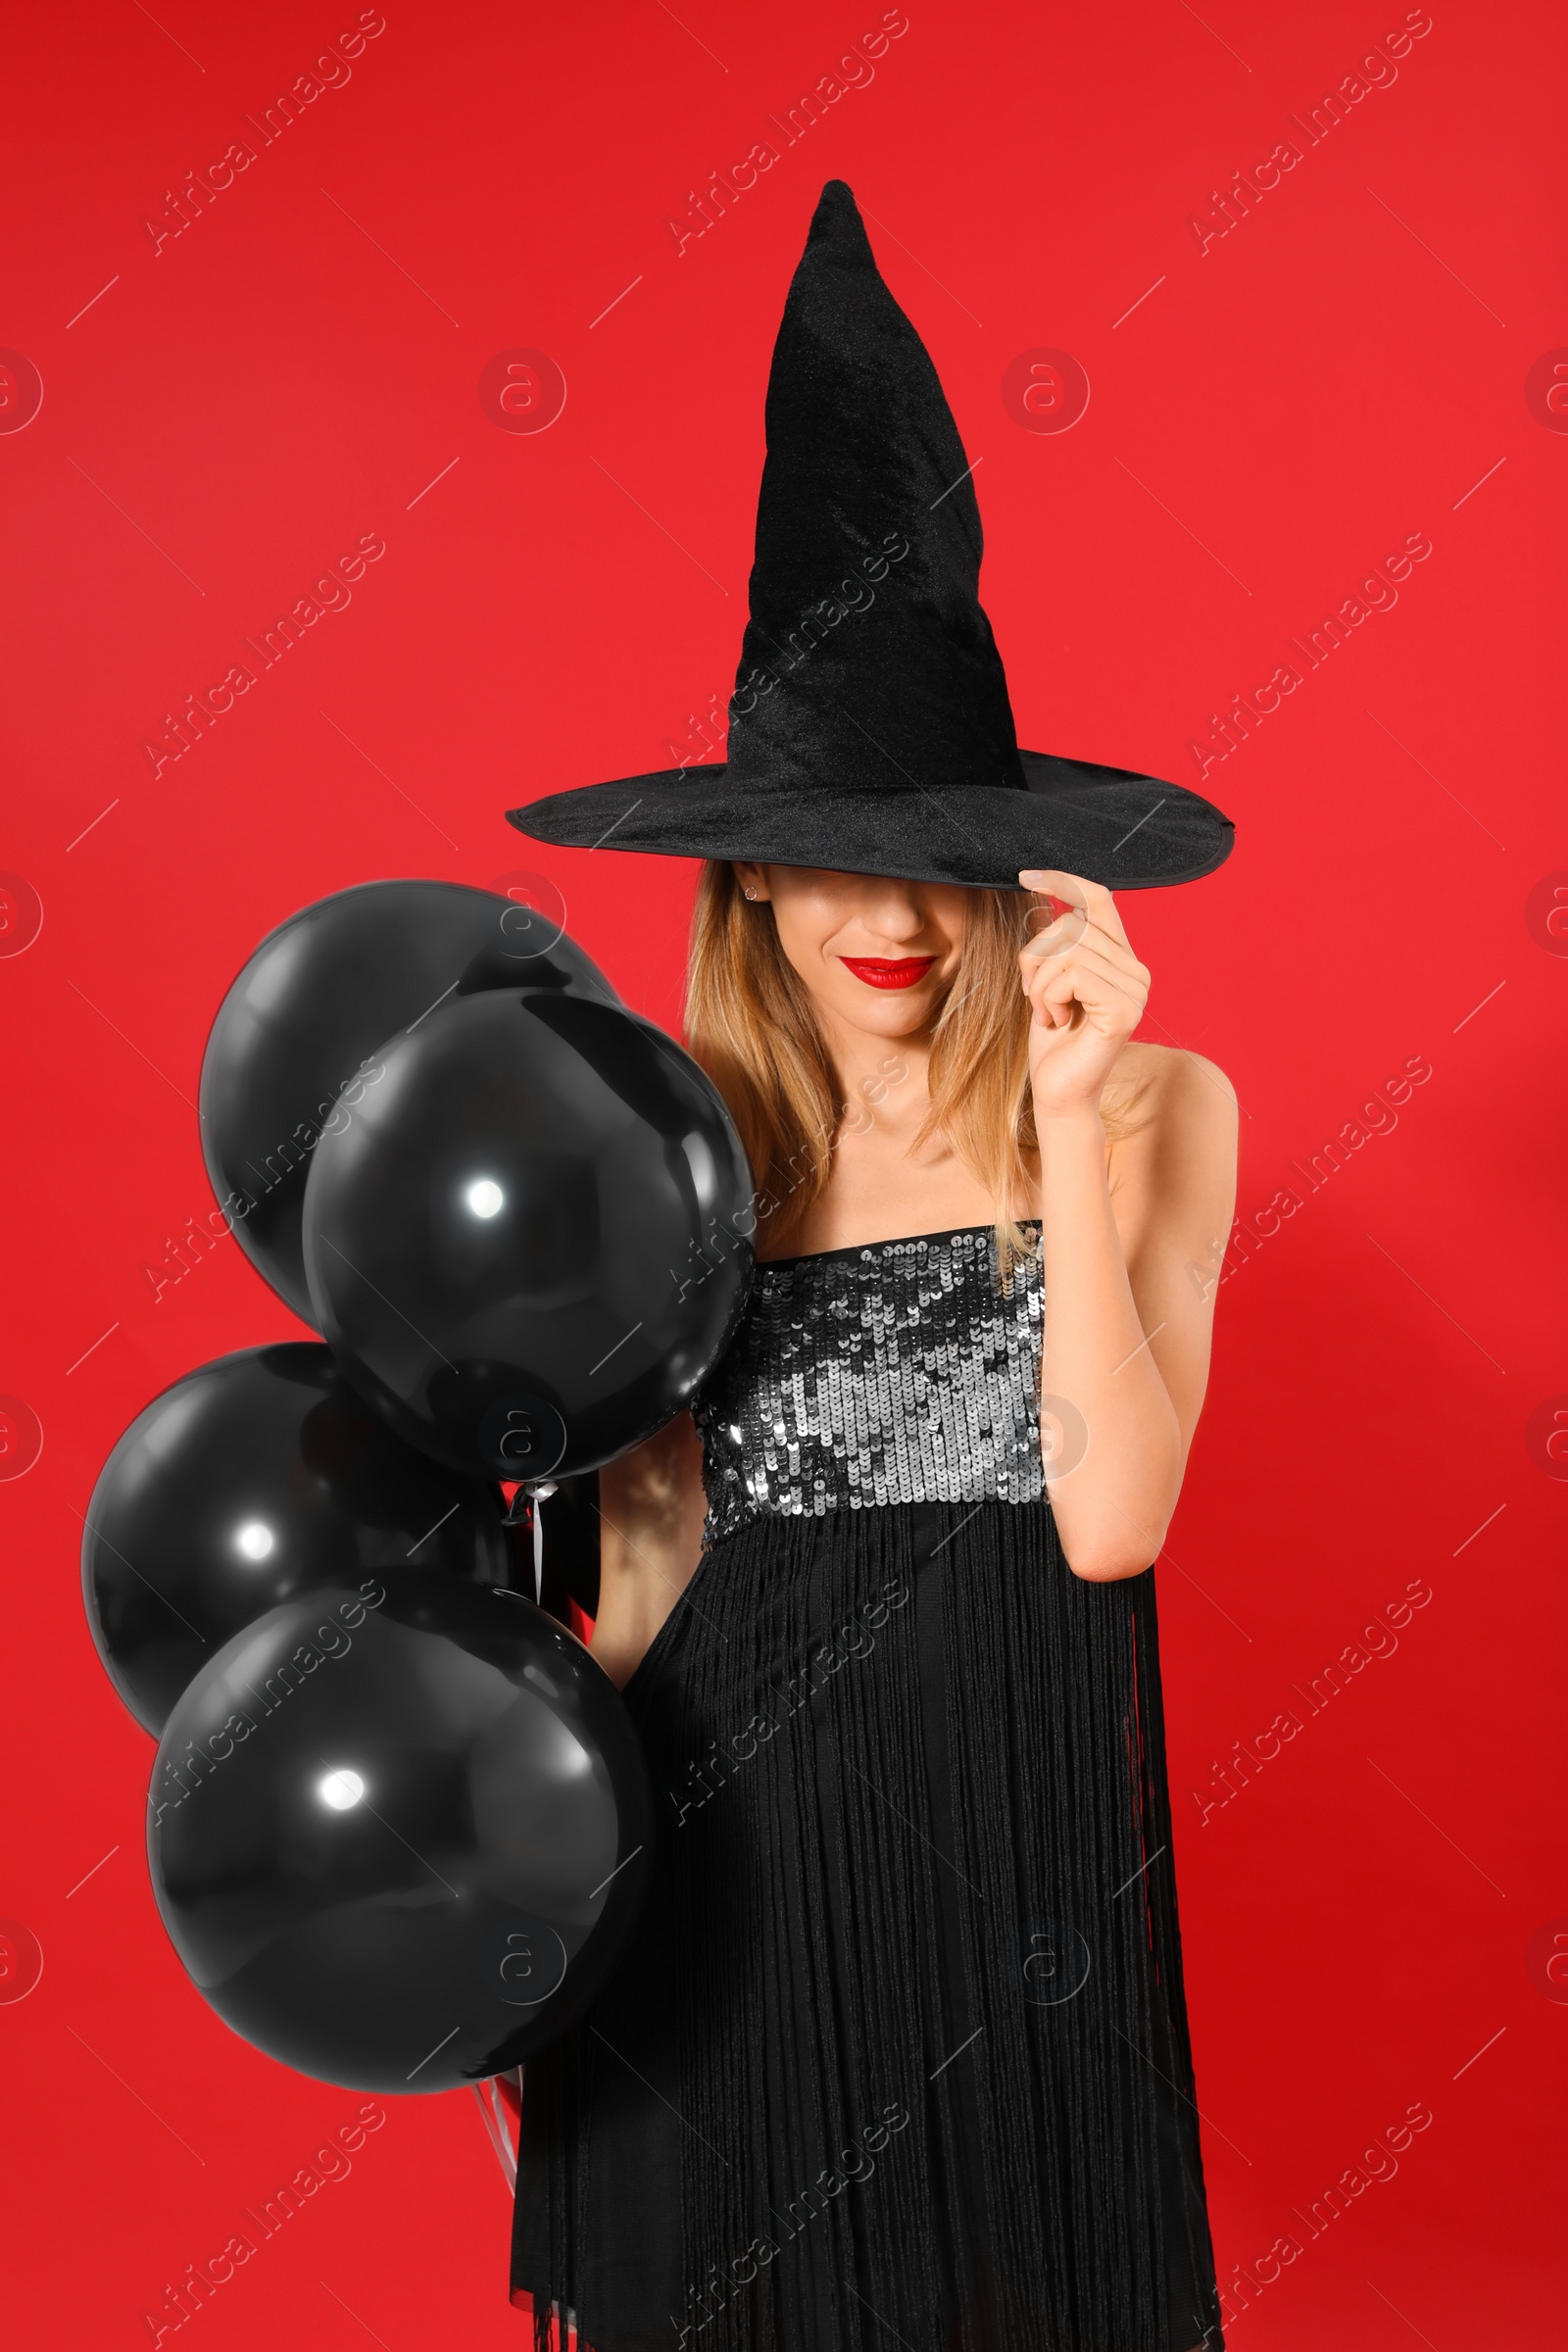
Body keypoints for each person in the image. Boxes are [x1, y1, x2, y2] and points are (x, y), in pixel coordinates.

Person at [504, 181, 1238, 2352]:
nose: (876, 915)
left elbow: (1108, 1520)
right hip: (721, 1866)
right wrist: (530, 1918)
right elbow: (635, 1585)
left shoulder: (1156, 1102)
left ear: (1011, 873)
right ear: (743, 888)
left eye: (925, 858)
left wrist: (1079, 1134)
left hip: (1006, 1856)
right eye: (819, 860)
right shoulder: (682, 1155)